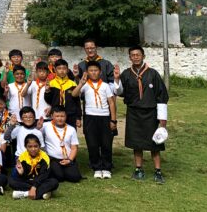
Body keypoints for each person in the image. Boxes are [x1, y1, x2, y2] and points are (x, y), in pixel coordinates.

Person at [115, 45, 169, 184]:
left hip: (150, 113)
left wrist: (162, 120)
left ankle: (158, 171)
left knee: (155, 144)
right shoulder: (126, 74)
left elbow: (162, 96)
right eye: (132, 55)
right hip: (133, 112)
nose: (135, 57)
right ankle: (138, 169)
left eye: (138, 55)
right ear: (130, 57)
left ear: (143, 56)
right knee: (136, 143)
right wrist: (116, 80)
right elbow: (120, 92)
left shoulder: (153, 74)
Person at [72, 60, 117, 179]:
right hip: (90, 117)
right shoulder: (85, 85)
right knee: (92, 143)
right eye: (91, 71)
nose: (93, 73)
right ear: (87, 72)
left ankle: (106, 167)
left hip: (104, 117)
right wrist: (81, 83)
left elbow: (111, 103)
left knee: (106, 143)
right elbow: (74, 94)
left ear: (100, 72)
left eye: (96, 70)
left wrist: (113, 120)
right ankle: (96, 166)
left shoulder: (105, 86)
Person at [9, 134, 58, 200]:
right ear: (25, 147)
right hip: (29, 181)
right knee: (12, 182)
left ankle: (25, 194)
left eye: (36, 146)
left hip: (41, 181)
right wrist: (21, 173)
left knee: (54, 182)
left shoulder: (44, 157)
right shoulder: (22, 157)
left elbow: (43, 175)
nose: (33, 149)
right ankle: (43, 192)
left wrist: (34, 187)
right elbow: (25, 176)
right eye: (30, 146)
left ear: (39, 146)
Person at [41, 106, 82, 183]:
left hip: (67, 159)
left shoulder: (71, 129)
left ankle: (63, 171)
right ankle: (57, 172)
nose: (60, 118)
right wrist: (37, 127)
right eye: (57, 116)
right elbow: (36, 135)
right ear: (52, 116)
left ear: (66, 116)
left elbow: (74, 148)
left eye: (62, 116)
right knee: (59, 176)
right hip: (52, 159)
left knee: (75, 177)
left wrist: (69, 160)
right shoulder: (45, 126)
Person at [44, 59, 81, 128]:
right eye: (59, 68)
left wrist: (78, 117)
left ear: (67, 70)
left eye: (64, 68)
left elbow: (77, 101)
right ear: (55, 70)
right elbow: (48, 100)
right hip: (57, 114)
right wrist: (47, 91)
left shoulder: (72, 84)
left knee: (70, 133)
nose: (62, 71)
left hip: (70, 114)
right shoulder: (51, 83)